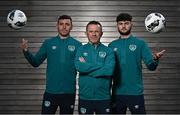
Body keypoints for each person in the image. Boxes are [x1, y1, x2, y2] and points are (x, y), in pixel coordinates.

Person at [20, 15, 81, 114]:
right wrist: (26, 51)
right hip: (51, 92)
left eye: (67, 24)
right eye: (61, 24)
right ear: (57, 26)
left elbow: (82, 67)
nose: (64, 27)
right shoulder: (48, 43)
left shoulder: (78, 45)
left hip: (68, 93)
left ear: (71, 27)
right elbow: (35, 62)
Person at [108, 13, 165, 114]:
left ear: (131, 24)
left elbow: (151, 66)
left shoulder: (140, 43)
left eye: (126, 23)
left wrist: (155, 59)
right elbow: (108, 69)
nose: (123, 26)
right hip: (117, 93)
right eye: (120, 23)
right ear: (117, 25)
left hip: (135, 93)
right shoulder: (111, 45)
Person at [74, 21, 115, 114]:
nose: (94, 34)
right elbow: (79, 67)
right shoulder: (81, 49)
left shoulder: (108, 51)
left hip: (104, 97)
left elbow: (109, 70)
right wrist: (102, 67)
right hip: (85, 97)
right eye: (91, 31)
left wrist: (87, 67)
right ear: (86, 33)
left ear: (101, 33)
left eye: (96, 31)